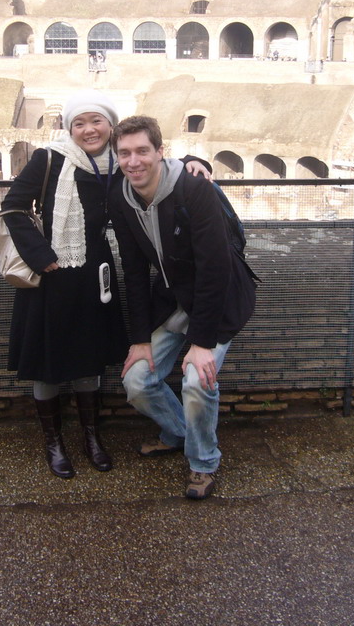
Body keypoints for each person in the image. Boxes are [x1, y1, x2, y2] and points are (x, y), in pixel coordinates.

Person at [0, 91, 210, 479]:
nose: (88, 129)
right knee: (48, 363)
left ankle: (92, 439)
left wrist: (198, 162)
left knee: (89, 358)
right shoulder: (49, 158)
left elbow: (158, 163)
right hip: (49, 273)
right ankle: (54, 443)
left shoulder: (118, 163)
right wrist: (39, 254)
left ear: (110, 126)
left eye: (96, 121)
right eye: (79, 123)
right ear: (69, 128)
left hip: (95, 272)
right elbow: (13, 206)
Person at [108, 115, 257, 500]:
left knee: (197, 379)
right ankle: (177, 433)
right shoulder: (120, 196)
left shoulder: (193, 190)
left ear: (160, 152)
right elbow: (135, 270)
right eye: (124, 153)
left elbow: (216, 267)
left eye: (142, 150)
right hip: (173, 299)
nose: (134, 161)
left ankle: (203, 462)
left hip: (219, 300)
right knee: (137, 381)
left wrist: (202, 342)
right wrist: (139, 339)